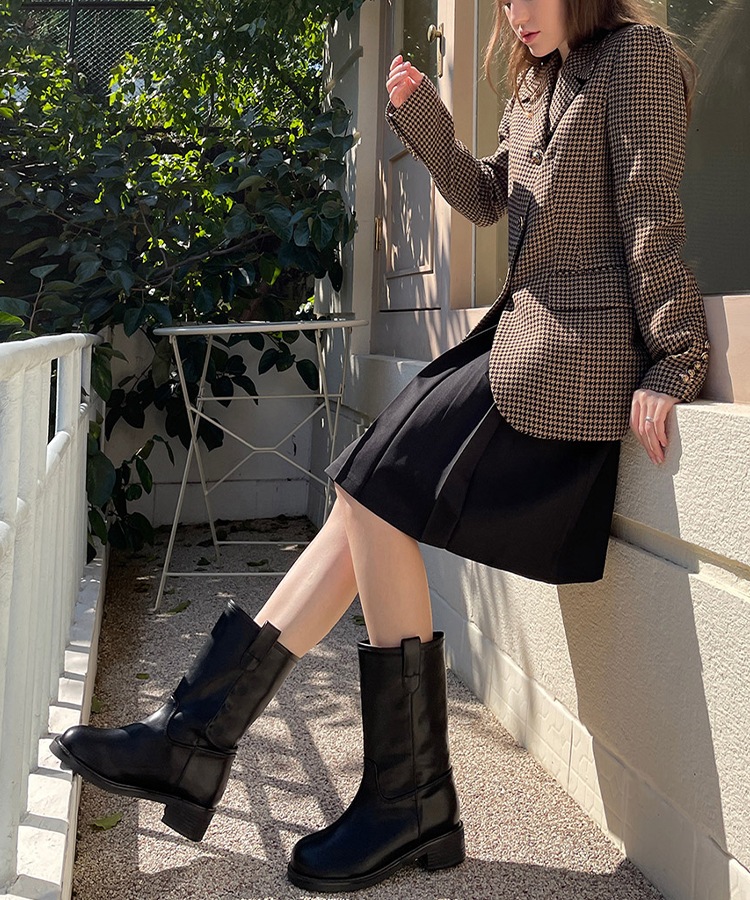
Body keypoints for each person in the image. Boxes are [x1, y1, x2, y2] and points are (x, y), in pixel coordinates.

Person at [51, 0, 709, 893]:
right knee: (363, 492)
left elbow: (650, 212)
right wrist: (426, 121)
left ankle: (276, 762)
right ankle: (225, 747)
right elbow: (489, 199)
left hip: (572, 356)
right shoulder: (540, 78)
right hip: (514, 340)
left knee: (372, 487)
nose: (514, 14)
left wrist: (675, 356)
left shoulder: (638, 60)